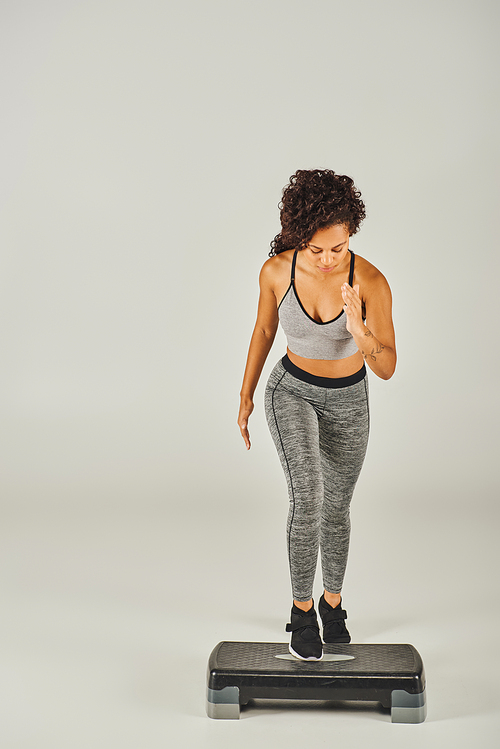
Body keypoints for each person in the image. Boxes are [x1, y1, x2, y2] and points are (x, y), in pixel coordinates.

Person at [237, 169, 396, 661]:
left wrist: (360, 329)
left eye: (339, 248)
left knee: (337, 508)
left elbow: (387, 365)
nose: (328, 260)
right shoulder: (275, 272)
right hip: (292, 392)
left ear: (351, 236)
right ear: (297, 237)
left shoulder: (369, 281)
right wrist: (244, 397)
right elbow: (264, 334)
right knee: (308, 496)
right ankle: (302, 611)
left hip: (350, 397)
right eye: (316, 250)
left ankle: (333, 603)